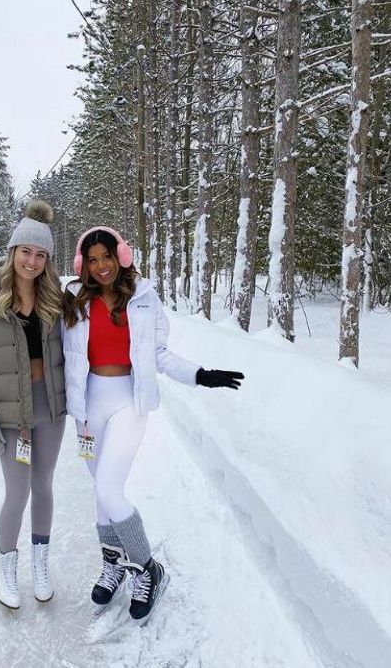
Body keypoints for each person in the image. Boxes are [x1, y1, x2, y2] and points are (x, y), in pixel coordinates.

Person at [61, 226, 244, 621]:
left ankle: (147, 568)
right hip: (88, 405)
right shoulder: (74, 298)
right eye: (91, 260)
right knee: (101, 491)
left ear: (121, 255)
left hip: (129, 400)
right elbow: (54, 348)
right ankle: (113, 562)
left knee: (111, 489)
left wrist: (201, 374)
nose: (100, 266)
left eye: (106, 256)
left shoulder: (143, 296)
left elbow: (158, 354)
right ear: (82, 265)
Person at [0, 199, 68, 610]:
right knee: (18, 491)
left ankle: (40, 562)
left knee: (43, 485)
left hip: (49, 407)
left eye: (41, 254)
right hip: (11, 414)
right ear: (13, 252)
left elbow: (80, 346)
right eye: (26, 251)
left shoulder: (56, 299)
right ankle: (5, 566)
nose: (32, 260)